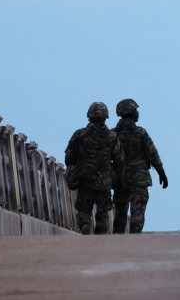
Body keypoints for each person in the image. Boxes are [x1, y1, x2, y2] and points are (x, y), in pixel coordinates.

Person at [64, 102, 124, 235]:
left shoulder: (80, 134)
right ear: (106, 117)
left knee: (84, 209)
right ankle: (100, 239)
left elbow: (69, 157)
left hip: (85, 179)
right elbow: (119, 160)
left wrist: (76, 170)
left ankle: (85, 224)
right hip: (105, 182)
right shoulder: (112, 136)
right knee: (103, 212)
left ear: (89, 116)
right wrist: (118, 178)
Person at [112, 99, 168, 234]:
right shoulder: (140, 132)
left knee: (120, 211)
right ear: (131, 113)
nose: (138, 113)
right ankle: (134, 238)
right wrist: (161, 173)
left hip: (119, 178)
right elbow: (153, 154)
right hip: (139, 178)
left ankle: (116, 240)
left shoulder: (112, 134)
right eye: (136, 110)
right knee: (138, 209)